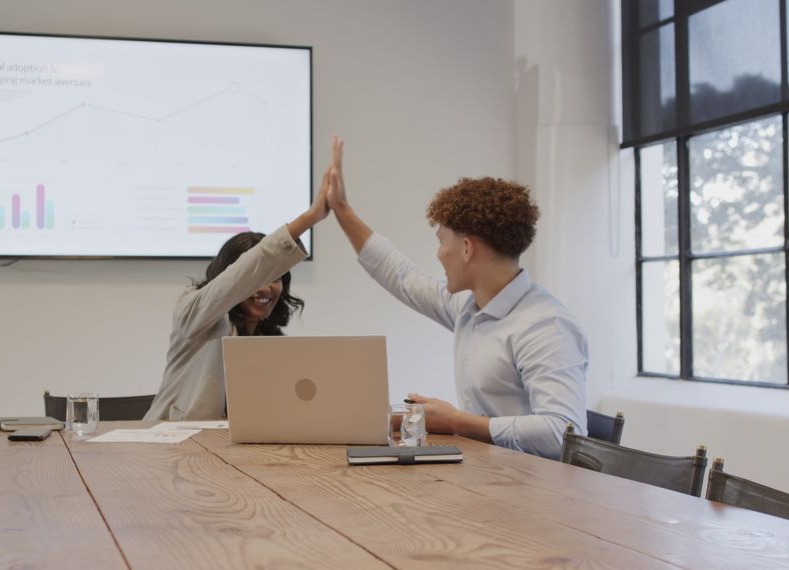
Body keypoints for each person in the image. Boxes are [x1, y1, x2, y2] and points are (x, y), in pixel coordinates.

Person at [326, 136, 587, 459]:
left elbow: (563, 431)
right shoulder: (470, 309)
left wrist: (457, 422)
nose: (438, 254)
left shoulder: (546, 326)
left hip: (539, 490)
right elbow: (402, 275)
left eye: (441, 241)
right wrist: (341, 210)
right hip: (493, 475)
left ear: (466, 249)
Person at [144, 141, 336, 422]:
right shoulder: (194, 312)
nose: (265, 288)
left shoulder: (269, 340)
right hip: (174, 446)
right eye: (256, 279)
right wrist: (308, 219)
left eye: (275, 279)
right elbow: (235, 281)